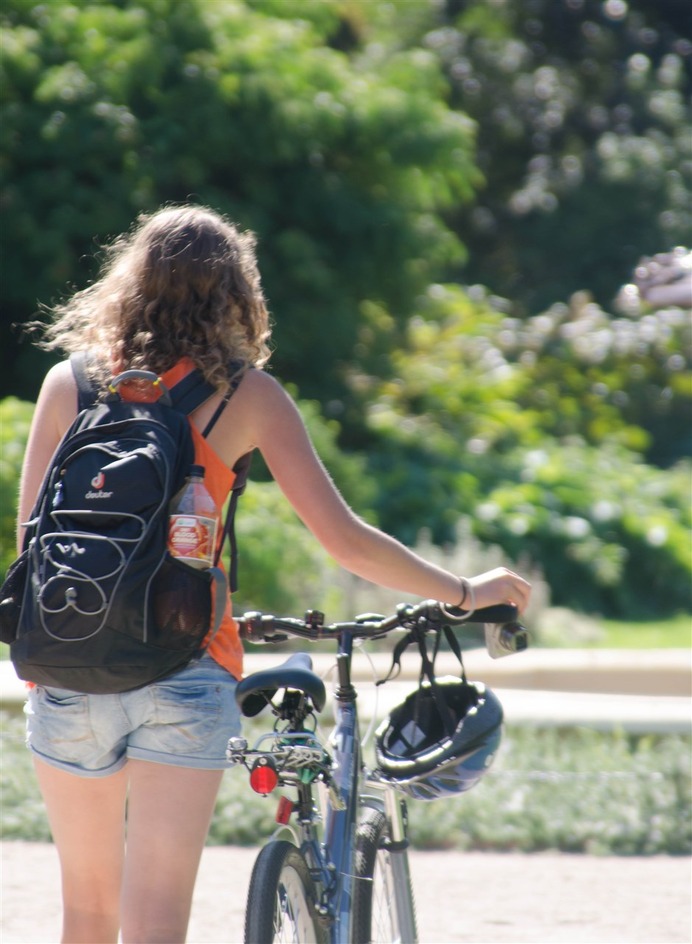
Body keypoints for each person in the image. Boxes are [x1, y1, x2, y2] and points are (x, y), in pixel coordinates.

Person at [17, 204, 532, 944]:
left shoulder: (67, 385)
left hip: (69, 668)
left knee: (88, 914)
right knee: (155, 920)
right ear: (238, 296)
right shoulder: (246, 396)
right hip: (184, 671)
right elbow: (345, 541)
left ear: (128, 283)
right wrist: (463, 592)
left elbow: (33, 543)